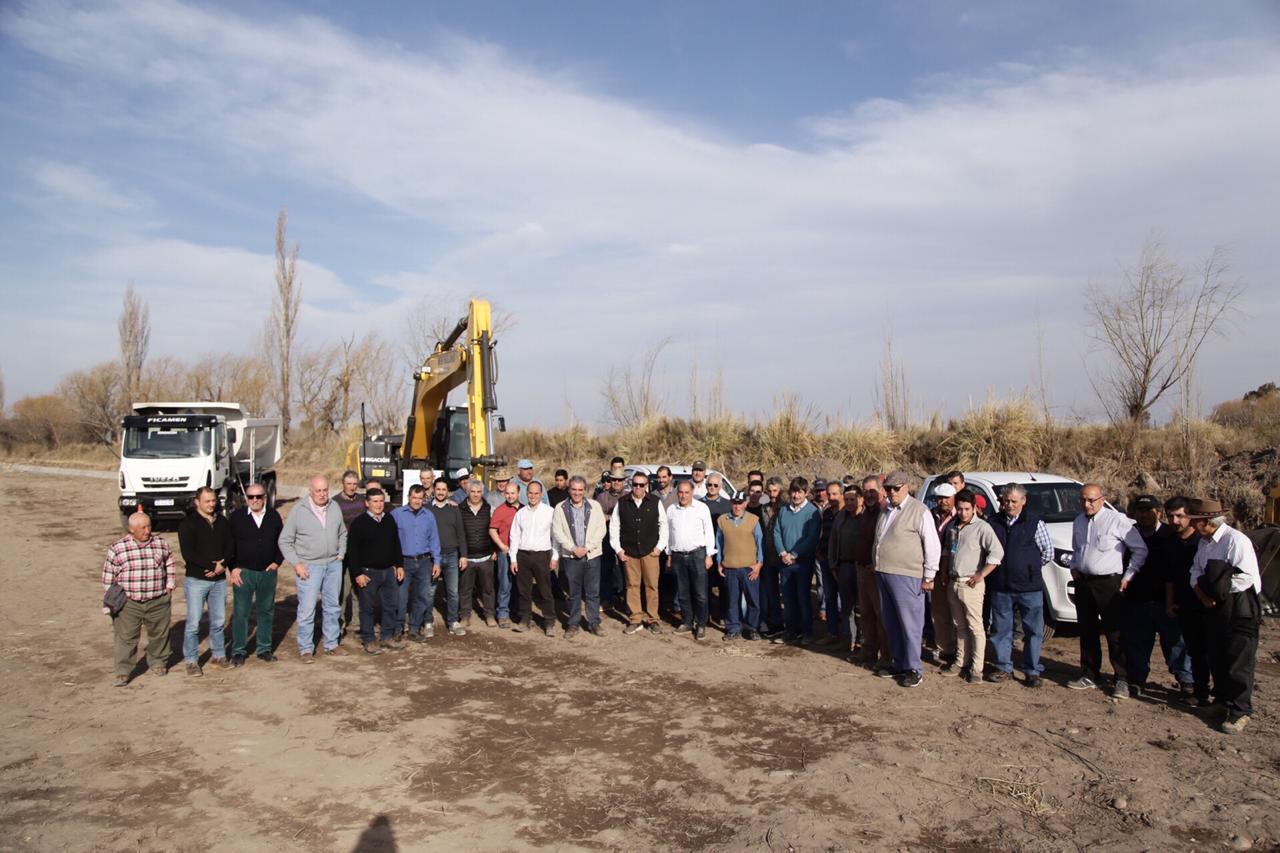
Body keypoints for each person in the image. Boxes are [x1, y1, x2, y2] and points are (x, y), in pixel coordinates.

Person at [1186, 498, 1262, 734]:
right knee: (1217, 656)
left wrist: (1218, 593)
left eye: (1196, 520)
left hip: (1239, 606)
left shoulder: (1236, 541)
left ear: (1208, 521)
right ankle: (1221, 702)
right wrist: (1202, 595)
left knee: (1238, 661)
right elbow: (1195, 571)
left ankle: (1240, 710)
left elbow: (1245, 577)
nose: (1192, 524)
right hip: (1213, 606)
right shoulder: (1204, 543)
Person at [1069, 483, 1148, 697]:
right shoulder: (1078, 521)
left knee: (1115, 632)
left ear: (1102, 499)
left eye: (1091, 500)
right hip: (1084, 582)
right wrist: (1074, 566)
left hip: (1109, 584)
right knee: (1087, 629)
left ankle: (1122, 678)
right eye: (1083, 500)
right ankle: (1089, 673)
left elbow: (1140, 549)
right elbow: (1077, 549)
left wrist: (1128, 576)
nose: (1087, 504)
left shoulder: (1117, 520)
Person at [872, 471, 941, 688]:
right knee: (891, 622)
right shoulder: (886, 510)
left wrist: (930, 575)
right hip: (884, 571)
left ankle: (914, 668)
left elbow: (932, 545)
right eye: (888, 488)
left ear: (907, 487)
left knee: (910, 623)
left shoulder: (919, 511)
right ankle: (899, 662)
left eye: (896, 488)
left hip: (907, 574)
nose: (891, 492)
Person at [1120, 495, 1194, 697]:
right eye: (1140, 511)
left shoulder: (1171, 535)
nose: (1144, 515)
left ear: (1159, 513)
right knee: (1137, 644)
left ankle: (1187, 681)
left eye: (1149, 511)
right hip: (1136, 599)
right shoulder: (1129, 534)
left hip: (1166, 601)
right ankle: (1137, 680)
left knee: (1176, 645)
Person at [986, 484, 1053, 687]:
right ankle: (1003, 666)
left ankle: (1032, 670)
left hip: (1029, 588)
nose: (1009, 505)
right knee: (1001, 629)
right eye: (1006, 501)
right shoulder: (993, 522)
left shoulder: (1035, 523)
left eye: (1014, 501)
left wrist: (1028, 568)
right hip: (1001, 586)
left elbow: (1048, 553)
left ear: (1023, 501)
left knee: (1033, 630)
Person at [279, 475, 348, 662]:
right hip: (309, 566)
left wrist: (341, 553)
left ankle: (332, 643)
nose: (322, 494)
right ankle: (306, 648)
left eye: (325, 490)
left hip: (333, 564)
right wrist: (296, 563)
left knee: (332, 606)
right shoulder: (299, 510)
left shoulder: (334, 507)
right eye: (318, 490)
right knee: (307, 609)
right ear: (311, 491)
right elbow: (285, 541)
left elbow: (342, 533)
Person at [103, 512, 175, 686]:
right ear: (131, 529)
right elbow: (108, 576)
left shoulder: (160, 544)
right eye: (142, 527)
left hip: (157, 599)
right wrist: (112, 599)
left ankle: (158, 662)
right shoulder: (118, 548)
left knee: (159, 634)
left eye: (149, 526)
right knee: (126, 638)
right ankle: (123, 671)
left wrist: (169, 585)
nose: (147, 530)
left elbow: (169, 563)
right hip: (129, 603)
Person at [943, 490, 1004, 684]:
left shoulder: (982, 528)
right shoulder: (953, 527)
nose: (963, 513)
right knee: (958, 625)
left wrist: (981, 574)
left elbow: (997, 553)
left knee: (975, 626)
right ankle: (961, 660)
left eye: (967, 509)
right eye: (959, 509)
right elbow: (948, 551)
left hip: (971, 584)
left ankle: (977, 668)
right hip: (953, 581)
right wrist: (945, 571)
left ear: (974, 508)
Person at [177, 486, 234, 676]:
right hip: (196, 580)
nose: (211, 504)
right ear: (197, 502)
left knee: (218, 621)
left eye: (213, 500)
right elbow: (188, 553)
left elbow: (230, 546)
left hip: (218, 581)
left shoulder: (223, 522)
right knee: (194, 623)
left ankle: (219, 655)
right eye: (207, 501)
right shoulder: (188, 524)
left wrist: (222, 565)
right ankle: (191, 661)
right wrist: (210, 566)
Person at [1162, 496, 1212, 705]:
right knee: (1181, 645)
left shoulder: (1202, 541)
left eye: (1180, 516)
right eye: (1171, 516)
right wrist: (1170, 602)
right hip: (1182, 601)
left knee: (1205, 649)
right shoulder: (1170, 541)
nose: (1175, 521)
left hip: (1204, 602)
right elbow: (1169, 577)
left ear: (1190, 516)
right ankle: (1190, 686)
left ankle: (1204, 690)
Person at [227, 484, 284, 666]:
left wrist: (277, 561)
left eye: (258, 496)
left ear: (264, 497)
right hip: (243, 572)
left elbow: (282, 541)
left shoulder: (273, 516)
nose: (255, 500)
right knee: (241, 612)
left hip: (267, 572)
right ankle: (238, 651)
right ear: (246, 499)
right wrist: (233, 567)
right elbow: (229, 545)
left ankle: (264, 649)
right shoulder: (236, 518)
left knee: (266, 611)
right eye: (251, 497)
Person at [610, 470, 668, 635]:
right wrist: (619, 550)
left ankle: (653, 619)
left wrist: (659, 547)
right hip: (629, 553)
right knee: (632, 586)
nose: (638, 488)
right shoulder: (622, 503)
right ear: (631, 485)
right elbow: (614, 527)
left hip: (650, 552)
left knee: (652, 586)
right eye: (635, 484)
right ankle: (635, 619)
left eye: (641, 485)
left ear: (646, 486)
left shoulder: (655, 502)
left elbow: (664, 525)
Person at [347, 489, 404, 654]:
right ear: (367, 503)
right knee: (367, 608)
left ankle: (387, 637)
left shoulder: (389, 520)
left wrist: (399, 565)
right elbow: (353, 551)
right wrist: (357, 573)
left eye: (381, 501)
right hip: (368, 572)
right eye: (375, 501)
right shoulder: (359, 523)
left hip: (388, 571)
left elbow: (396, 544)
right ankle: (369, 640)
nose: (379, 505)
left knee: (391, 605)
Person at [552, 475, 608, 637]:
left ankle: (594, 622)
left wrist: (587, 547)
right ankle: (573, 623)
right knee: (573, 593)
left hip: (592, 555)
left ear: (585, 491)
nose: (577, 493)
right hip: (571, 557)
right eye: (574, 490)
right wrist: (572, 548)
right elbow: (557, 531)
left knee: (592, 592)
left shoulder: (595, 506)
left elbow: (601, 529)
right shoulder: (560, 508)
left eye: (580, 490)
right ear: (569, 490)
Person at [772, 477, 822, 646]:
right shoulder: (784, 510)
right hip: (785, 562)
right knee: (788, 598)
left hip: (803, 562)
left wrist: (794, 554)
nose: (796, 495)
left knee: (803, 598)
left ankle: (806, 632)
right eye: (794, 491)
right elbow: (776, 532)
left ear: (806, 493)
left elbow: (812, 538)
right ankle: (790, 632)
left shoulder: (812, 512)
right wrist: (783, 553)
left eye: (800, 492)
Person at [390, 484, 441, 642]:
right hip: (404, 562)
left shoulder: (429, 516)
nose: (417, 501)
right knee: (401, 597)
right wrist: (394, 564)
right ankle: (398, 629)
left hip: (424, 561)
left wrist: (437, 561)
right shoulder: (397, 514)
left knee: (422, 596)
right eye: (414, 498)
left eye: (420, 498)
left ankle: (414, 629)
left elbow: (434, 539)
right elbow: (390, 541)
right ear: (408, 497)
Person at [668, 481, 717, 639]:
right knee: (683, 593)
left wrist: (709, 554)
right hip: (678, 556)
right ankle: (687, 622)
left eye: (686, 492)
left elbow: (709, 532)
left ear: (692, 492)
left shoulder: (702, 508)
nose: (683, 495)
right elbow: (669, 534)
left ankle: (701, 624)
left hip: (698, 555)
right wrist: (669, 554)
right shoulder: (671, 510)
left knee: (700, 593)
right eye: (681, 492)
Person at [510, 481, 559, 635]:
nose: (533, 496)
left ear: (541, 494)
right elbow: (514, 536)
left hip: (542, 555)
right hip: (523, 555)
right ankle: (525, 620)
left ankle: (549, 621)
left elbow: (555, 537)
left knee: (545, 590)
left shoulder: (549, 512)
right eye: (530, 493)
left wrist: (555, 556)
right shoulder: (521, 513)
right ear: (526, 493)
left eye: (536, 493)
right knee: (524, 590)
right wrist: (513, 559)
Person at [853, 476, 890, 669]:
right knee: (866, 614)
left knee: (881, 616)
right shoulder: (866, 513)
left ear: (882, 491)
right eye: (865, 491)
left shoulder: (886, 512)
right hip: (862, 569)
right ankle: (868, 652)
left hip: (877, 571)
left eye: (872, 491)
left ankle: (885, 657)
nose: (869, 494)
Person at [717, 491, 763, 641]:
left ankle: (752, 628)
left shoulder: (753, 520)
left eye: (740, 503)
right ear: (731, 503)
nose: (737, 506)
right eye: (735, 503)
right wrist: (719, 562)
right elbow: (719, 543)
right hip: (730, 567)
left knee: (753, 600)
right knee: (731, 600)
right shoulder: (722, 520)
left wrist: (759, 564)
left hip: (749, 567)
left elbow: (760, 543)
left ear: (745, 503)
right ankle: (733, 628)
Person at [428, 478, 469, 636]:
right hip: (433, 557)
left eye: (444, 489)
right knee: (430, 591)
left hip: (452, 555)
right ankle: (428, 622)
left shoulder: (454, 509)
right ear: (434, 490)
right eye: (438, 489)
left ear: (448, 491)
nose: (440, 492)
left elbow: (461, 533)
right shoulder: (427, 509)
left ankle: (452, 621)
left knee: (453, 591)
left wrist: (463, 555)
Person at [927, 483, 959, 666]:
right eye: (940, 498)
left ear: (953, 497)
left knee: (957, 614)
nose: (943, 502)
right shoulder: (930, 516)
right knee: (939, 613)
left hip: (954, 571)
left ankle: (960, 650)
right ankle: (945, 648)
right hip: (936, 571)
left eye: (947, 498)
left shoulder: (961, 515)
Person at [827, 484, 862, 653]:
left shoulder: (867, 517)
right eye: (846, 499)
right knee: (846, 606)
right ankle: (848, 640)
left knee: (862, 607)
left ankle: (863, 641)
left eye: (852, 499)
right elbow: (833, 541)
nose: (849, 503)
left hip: (862, 567)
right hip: (844, 566)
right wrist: (833, 564)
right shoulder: (841, 517)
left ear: (860, 500)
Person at [458, 481, 497, 626]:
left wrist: (494, 549)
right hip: (467, 557)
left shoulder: (489, 509)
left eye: (478, 492)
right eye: (472, 491)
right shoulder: (460, 509)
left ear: (483, 492)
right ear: (467, 492)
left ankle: (489, 615)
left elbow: (494, 530)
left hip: (486, 556)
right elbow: (458, 532)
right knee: (465, 589)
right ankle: (465, 616)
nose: (475, 494)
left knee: (488, 589)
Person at [332, 470, 364, 639]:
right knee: (342, 591)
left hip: (359, 552)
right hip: (342, 553)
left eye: (354, 484)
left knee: (359, 590)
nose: (352, 487)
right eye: (348, 484)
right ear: (343, 484)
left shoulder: (362, 501)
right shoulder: (335, 502)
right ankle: (339, 625)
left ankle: (358, 625)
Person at [594, 463, 628, 611]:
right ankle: (606, 599)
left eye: (619, 480)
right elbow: (599, 517)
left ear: (624, 481)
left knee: (626, 570)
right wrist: (613, 517)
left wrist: (610, 516)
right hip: (606, 536)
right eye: (614, 480)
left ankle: (627, 601)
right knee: (605, 569)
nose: (616, 483)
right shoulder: (602, 497)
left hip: (626, 537)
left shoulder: (629, 496)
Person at [489, 482, 522, 629]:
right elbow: (492, 530)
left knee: (520, 584)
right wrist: (501, 546)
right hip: (506, 552)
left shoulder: (524, 510)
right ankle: (502, 613)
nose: (510, 496)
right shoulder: (500, 510)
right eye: (507, 493)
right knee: (505, 583)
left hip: (521, 552)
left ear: (518, 493)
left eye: (512, 493)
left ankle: (517, 611)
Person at [701, 473, 732, 625]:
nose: (712, 488)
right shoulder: (699, 504)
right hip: (704, 551)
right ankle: (704, 616)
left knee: (723, 585)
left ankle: (722, 615)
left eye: (715, 485)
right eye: (709, 485)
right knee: (704, 586)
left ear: (720, 487)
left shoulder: (728, 505)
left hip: (722, 550)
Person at [758, 477, 787, 638]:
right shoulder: (764, 508)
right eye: (769, 491)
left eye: (775, 490)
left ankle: (789, 623)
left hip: (783, 555)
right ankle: (776, 623)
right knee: (771, 592)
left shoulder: (786, 508)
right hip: (768, 555)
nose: (772, 494)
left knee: (787, 592)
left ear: (781, 490)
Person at [816, 481, 844, 645]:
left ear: (841, 494)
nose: (832, 497)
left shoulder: (847, 512)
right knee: (830, 598)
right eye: (829, 494)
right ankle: (832, 633)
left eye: (835, 494)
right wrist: (819, 551)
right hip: (826, 561)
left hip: (842, 564)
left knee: (848, 601)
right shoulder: (826, 513)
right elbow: (823, 534)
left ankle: (849, 637)